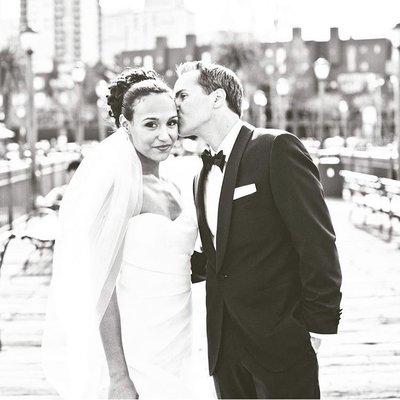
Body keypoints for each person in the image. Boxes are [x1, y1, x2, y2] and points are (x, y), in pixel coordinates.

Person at [174, 61, 342, 399]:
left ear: (216, 98)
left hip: (280, 338)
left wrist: (316, 325)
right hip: (225, 347)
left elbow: (316, 241)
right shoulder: (199, 175)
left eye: (182, 95)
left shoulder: (276, 148)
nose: (174, 105)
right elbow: (218, 259)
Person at [42, 68, 200, 399]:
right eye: (151, 125)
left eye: (172, 123)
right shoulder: (115, 190)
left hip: (184, 335)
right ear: (126, 126)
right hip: (137, 340)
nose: (165, 135)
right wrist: (118, 375)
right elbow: (100, 283)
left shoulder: (175, 185)